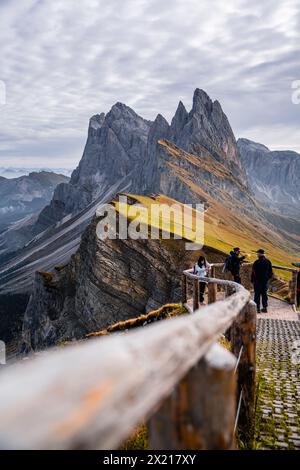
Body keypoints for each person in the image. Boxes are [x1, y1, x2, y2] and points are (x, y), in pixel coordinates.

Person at [251, 249, 273, 313]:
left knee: (257, 295)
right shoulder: (268, 261)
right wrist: (267, 278)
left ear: (260, 254)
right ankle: (265, 308)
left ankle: (257, 308)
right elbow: (270, 272)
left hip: (257, 281)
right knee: (264, 294)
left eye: (257, 253)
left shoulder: (256, 262)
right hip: (265, 281)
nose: (257, 254)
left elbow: (253, 272)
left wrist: (252, 280)